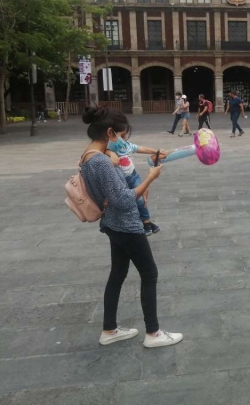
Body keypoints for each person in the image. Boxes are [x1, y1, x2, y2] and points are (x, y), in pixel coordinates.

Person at [80, 107, 183, 349]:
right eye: (121, 136)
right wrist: (150, 178)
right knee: (149, 274)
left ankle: (109, 329)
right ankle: (153, 333)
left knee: (117, 274)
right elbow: (123, 199)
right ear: (109, 133)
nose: (123, 141)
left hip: (112, 224)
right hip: (125, 224)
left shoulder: (88, 156)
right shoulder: (102, 162)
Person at [106, 127, 162, 237]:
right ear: (112, 134)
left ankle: (146, 222)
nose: (123, 138)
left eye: (125, 135)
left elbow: (141, 148)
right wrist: (111, 153)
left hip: (133, 176)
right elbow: (104, 150)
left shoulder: (127, 145)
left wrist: (156, 151)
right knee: (131, 202)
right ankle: (145, 223)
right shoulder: (111, 147)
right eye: (121, 136)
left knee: (141, 200)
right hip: (121, 180)